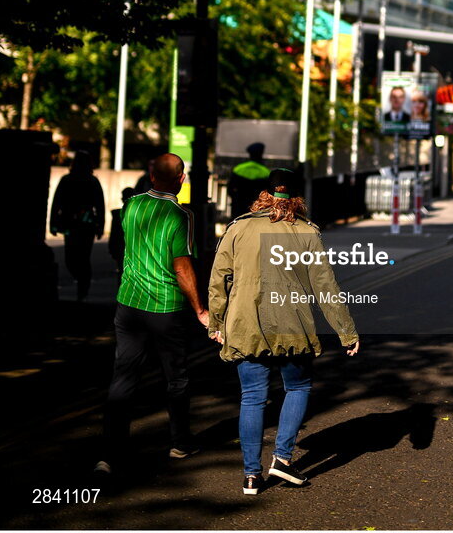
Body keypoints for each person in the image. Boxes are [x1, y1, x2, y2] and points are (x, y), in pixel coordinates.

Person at [208, 168, 359, 496]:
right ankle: (283, 458)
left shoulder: (238, 229)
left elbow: (219, 279)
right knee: (299, 386)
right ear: (296, 197)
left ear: (263, 195)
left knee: (252, 397)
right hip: (293, 325)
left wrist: (216, 324)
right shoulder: (307, 233)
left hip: (246, 324)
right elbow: (325, 287)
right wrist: (346, 332)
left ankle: (251, 475)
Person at [94, 154, 209, 476]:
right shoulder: (180, 215)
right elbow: (182, 267)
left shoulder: (131, 205)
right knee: (176, 377)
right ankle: (180, 442)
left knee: (124, 376)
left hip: (128, 305)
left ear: (150, 174)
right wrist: (200, 308)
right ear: (182, 179)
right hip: (165, 309)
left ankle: (110, 453)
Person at [50, 150, 105, 301]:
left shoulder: (67, 180)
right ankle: (83, 285)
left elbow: (57, 202)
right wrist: (100, 225)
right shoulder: (92, 181)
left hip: (73, 224)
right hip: (86, 224)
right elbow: (100, 206)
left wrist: (53, 223)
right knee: (82, 257)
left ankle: (82, 286)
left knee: (72, 257)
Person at [227, 142, 270, 219]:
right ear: (261, 154)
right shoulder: (265, 172)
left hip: (238, 208)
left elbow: (230, 189)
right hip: (256, 210)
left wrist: (236, 199)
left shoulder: (238, 169)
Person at [108, 186, 135, 277]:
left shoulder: (117, 215)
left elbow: (114, 234)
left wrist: (112, 249)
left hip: (120, 248)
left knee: (122, 272)